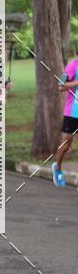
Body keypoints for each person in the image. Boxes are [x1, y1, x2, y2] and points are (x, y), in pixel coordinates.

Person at [52, 56, 78, 186]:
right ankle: (57, 168)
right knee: (66, 145)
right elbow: (60, 86)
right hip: (72, 113)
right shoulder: (72, 66)